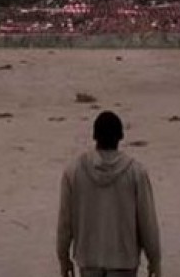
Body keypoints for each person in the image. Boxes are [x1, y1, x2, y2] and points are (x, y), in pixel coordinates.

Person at [57, 111, 161, 277]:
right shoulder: (136, 173)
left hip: (89, 261)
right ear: (120, 137)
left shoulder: (74, 172)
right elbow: (147, 222)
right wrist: (154, 260)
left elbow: (65, 222)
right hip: (124, 262)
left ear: (95, 136)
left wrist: (63, 257)